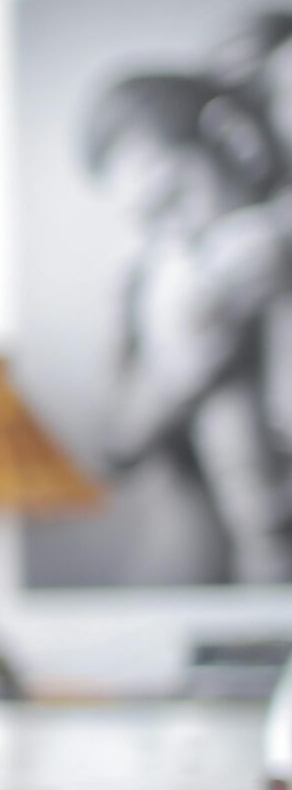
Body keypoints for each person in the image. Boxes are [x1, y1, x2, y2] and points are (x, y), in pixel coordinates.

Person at [84, 71, 292, 582]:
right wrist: (183, 360)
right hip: (232, 570)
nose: (173, 229)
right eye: (148, 218)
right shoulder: (149, 278)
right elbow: (114, 442)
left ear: (229, 138)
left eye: (173, 196)